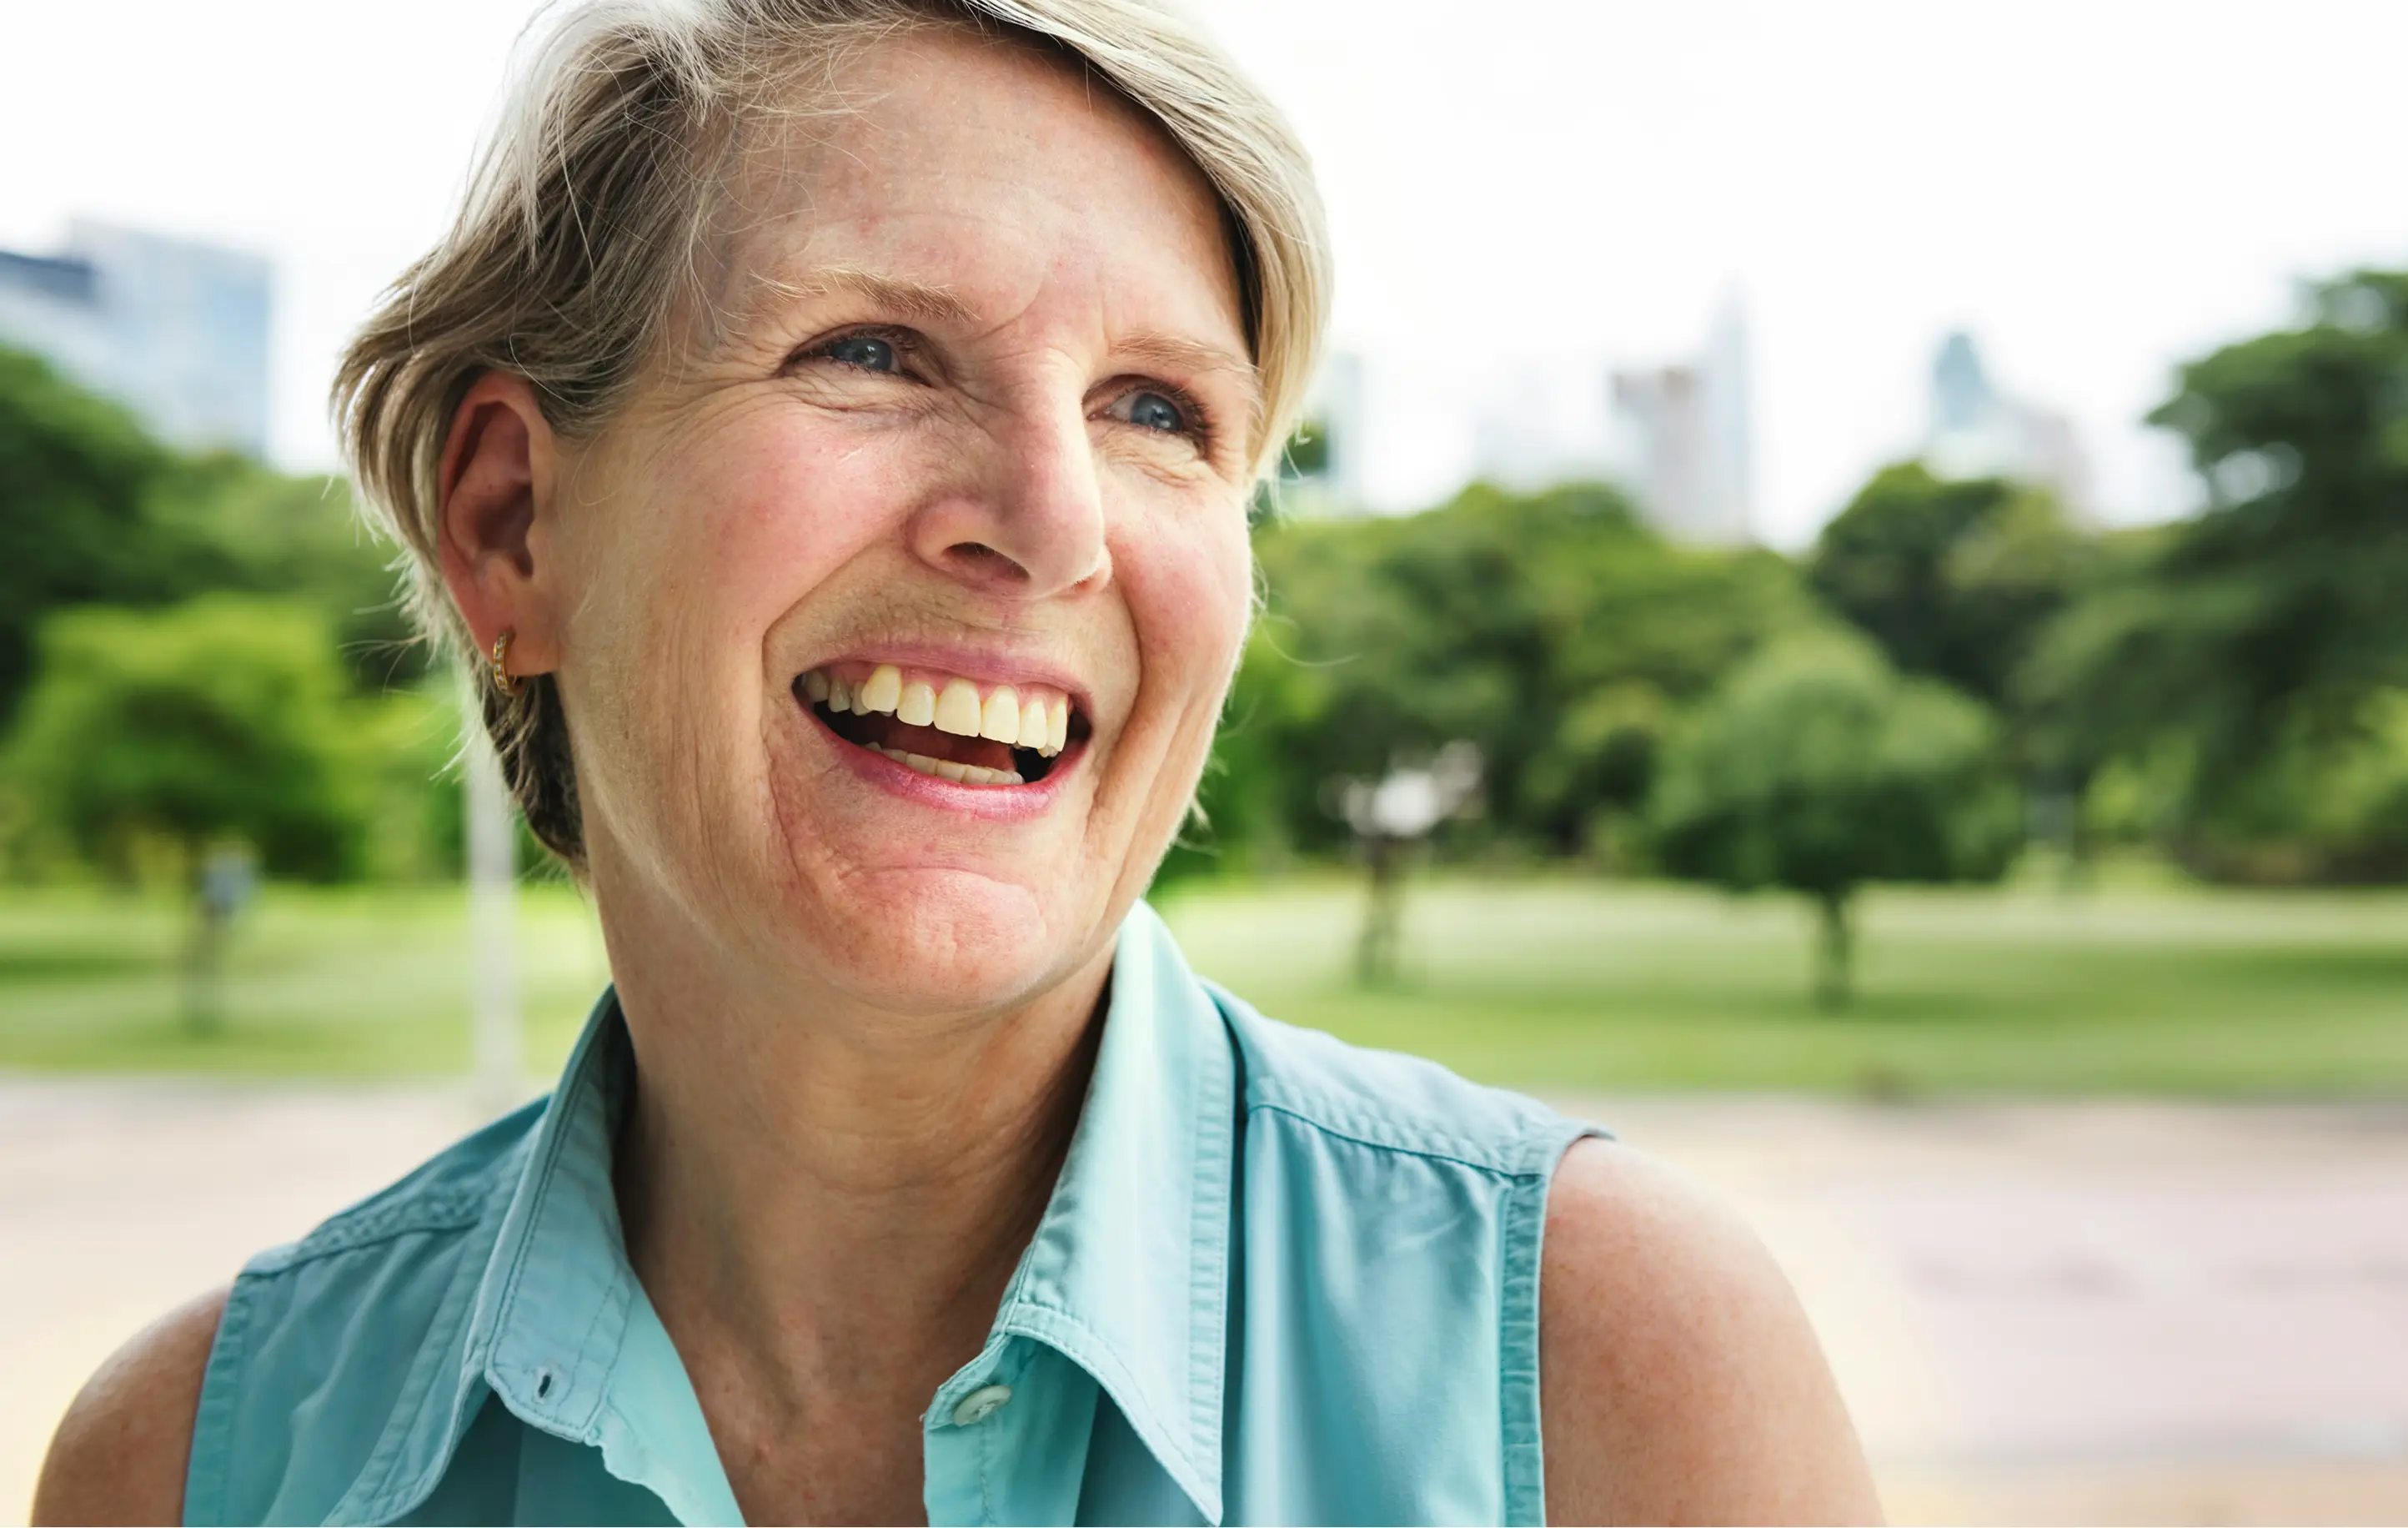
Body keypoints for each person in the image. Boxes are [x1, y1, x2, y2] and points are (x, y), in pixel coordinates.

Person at [33, 2, 1880, 1522]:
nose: (1053, 524)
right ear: (512, 520)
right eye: (875, 352)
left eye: (1159, 411)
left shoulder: (1603, 1372)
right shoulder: (191, 1466)